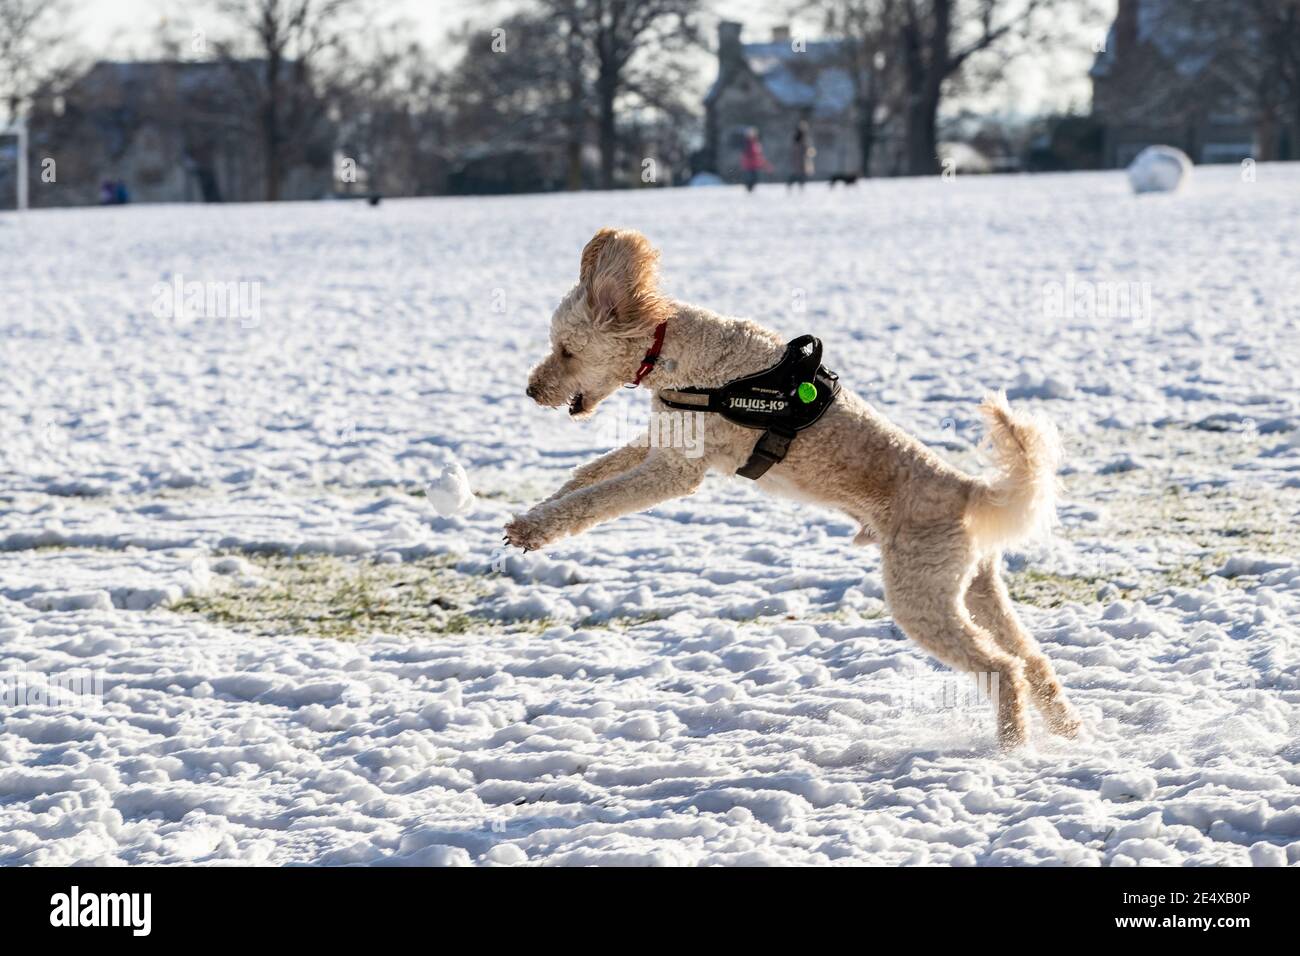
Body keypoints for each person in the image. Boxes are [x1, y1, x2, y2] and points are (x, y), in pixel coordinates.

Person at [739, 128, 772, 192]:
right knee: (750, 178)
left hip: (755, 164)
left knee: (755, 178)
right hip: (749, 164)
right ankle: (749, 190)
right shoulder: (746, 143)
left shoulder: (756, 142)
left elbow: (759, 154)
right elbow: (746, 154)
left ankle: (750, 190)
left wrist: (763, 163)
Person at [788, 120, 816, 189]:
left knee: (801, 174)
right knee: (799, 174)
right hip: (800, 159)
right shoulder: (800, 138)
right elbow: (804, 149)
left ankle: (800, 185)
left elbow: (808, 149)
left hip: (801, 159)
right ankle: (795, 184)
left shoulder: (803, 138)